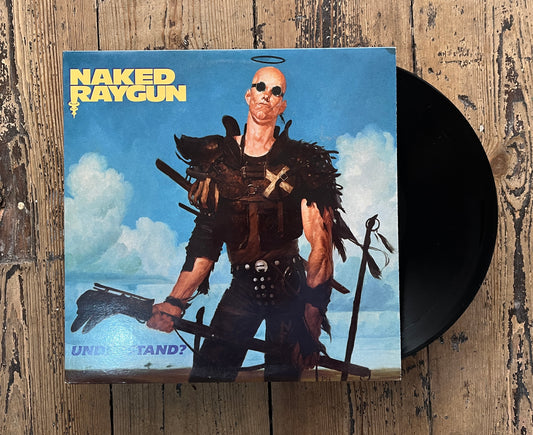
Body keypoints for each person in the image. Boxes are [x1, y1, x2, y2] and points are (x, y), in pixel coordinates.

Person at [147, 66, 354, 381]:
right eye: (260, 87)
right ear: (248, 95)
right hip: (242, 288)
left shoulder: (301, 163)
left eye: (276, 91)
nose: (267, 96)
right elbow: (205, 244)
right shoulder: (218, 163)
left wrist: (310, 324)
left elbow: (321, 247)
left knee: (284, 386)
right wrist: (176, 301)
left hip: (290, 290)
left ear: (282, 105)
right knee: (207, 378)